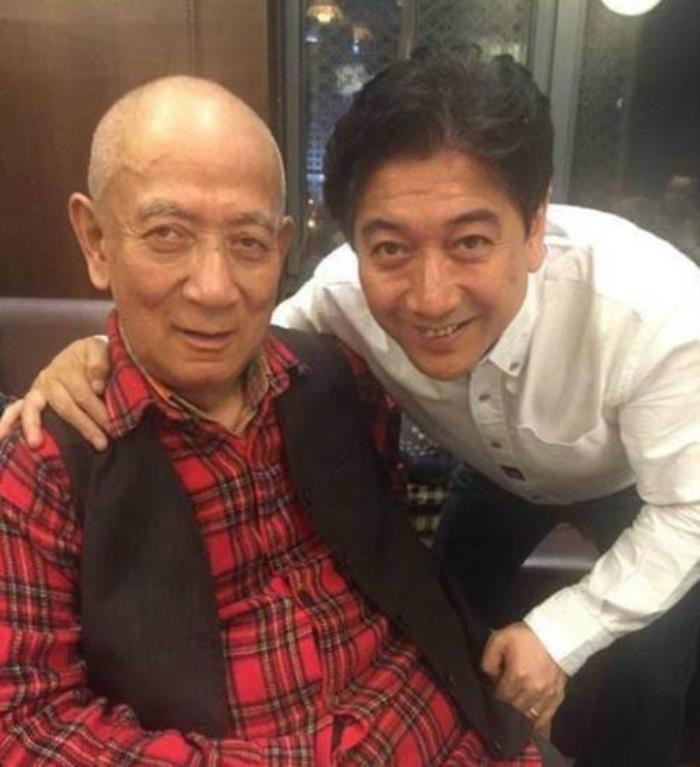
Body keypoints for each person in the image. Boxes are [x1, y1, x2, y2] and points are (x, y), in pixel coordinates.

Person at [4, 50, 699, 766]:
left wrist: (558, 635)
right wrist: (99, 352)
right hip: (489, 477)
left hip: (640, 484)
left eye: (470, 241)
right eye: (390, 246)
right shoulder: (336, 320)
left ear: (534, 227)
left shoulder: (660, 317)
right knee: (459, 608)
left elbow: (690, 508)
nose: (430, 297)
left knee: (652, 670)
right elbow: (227, 333)